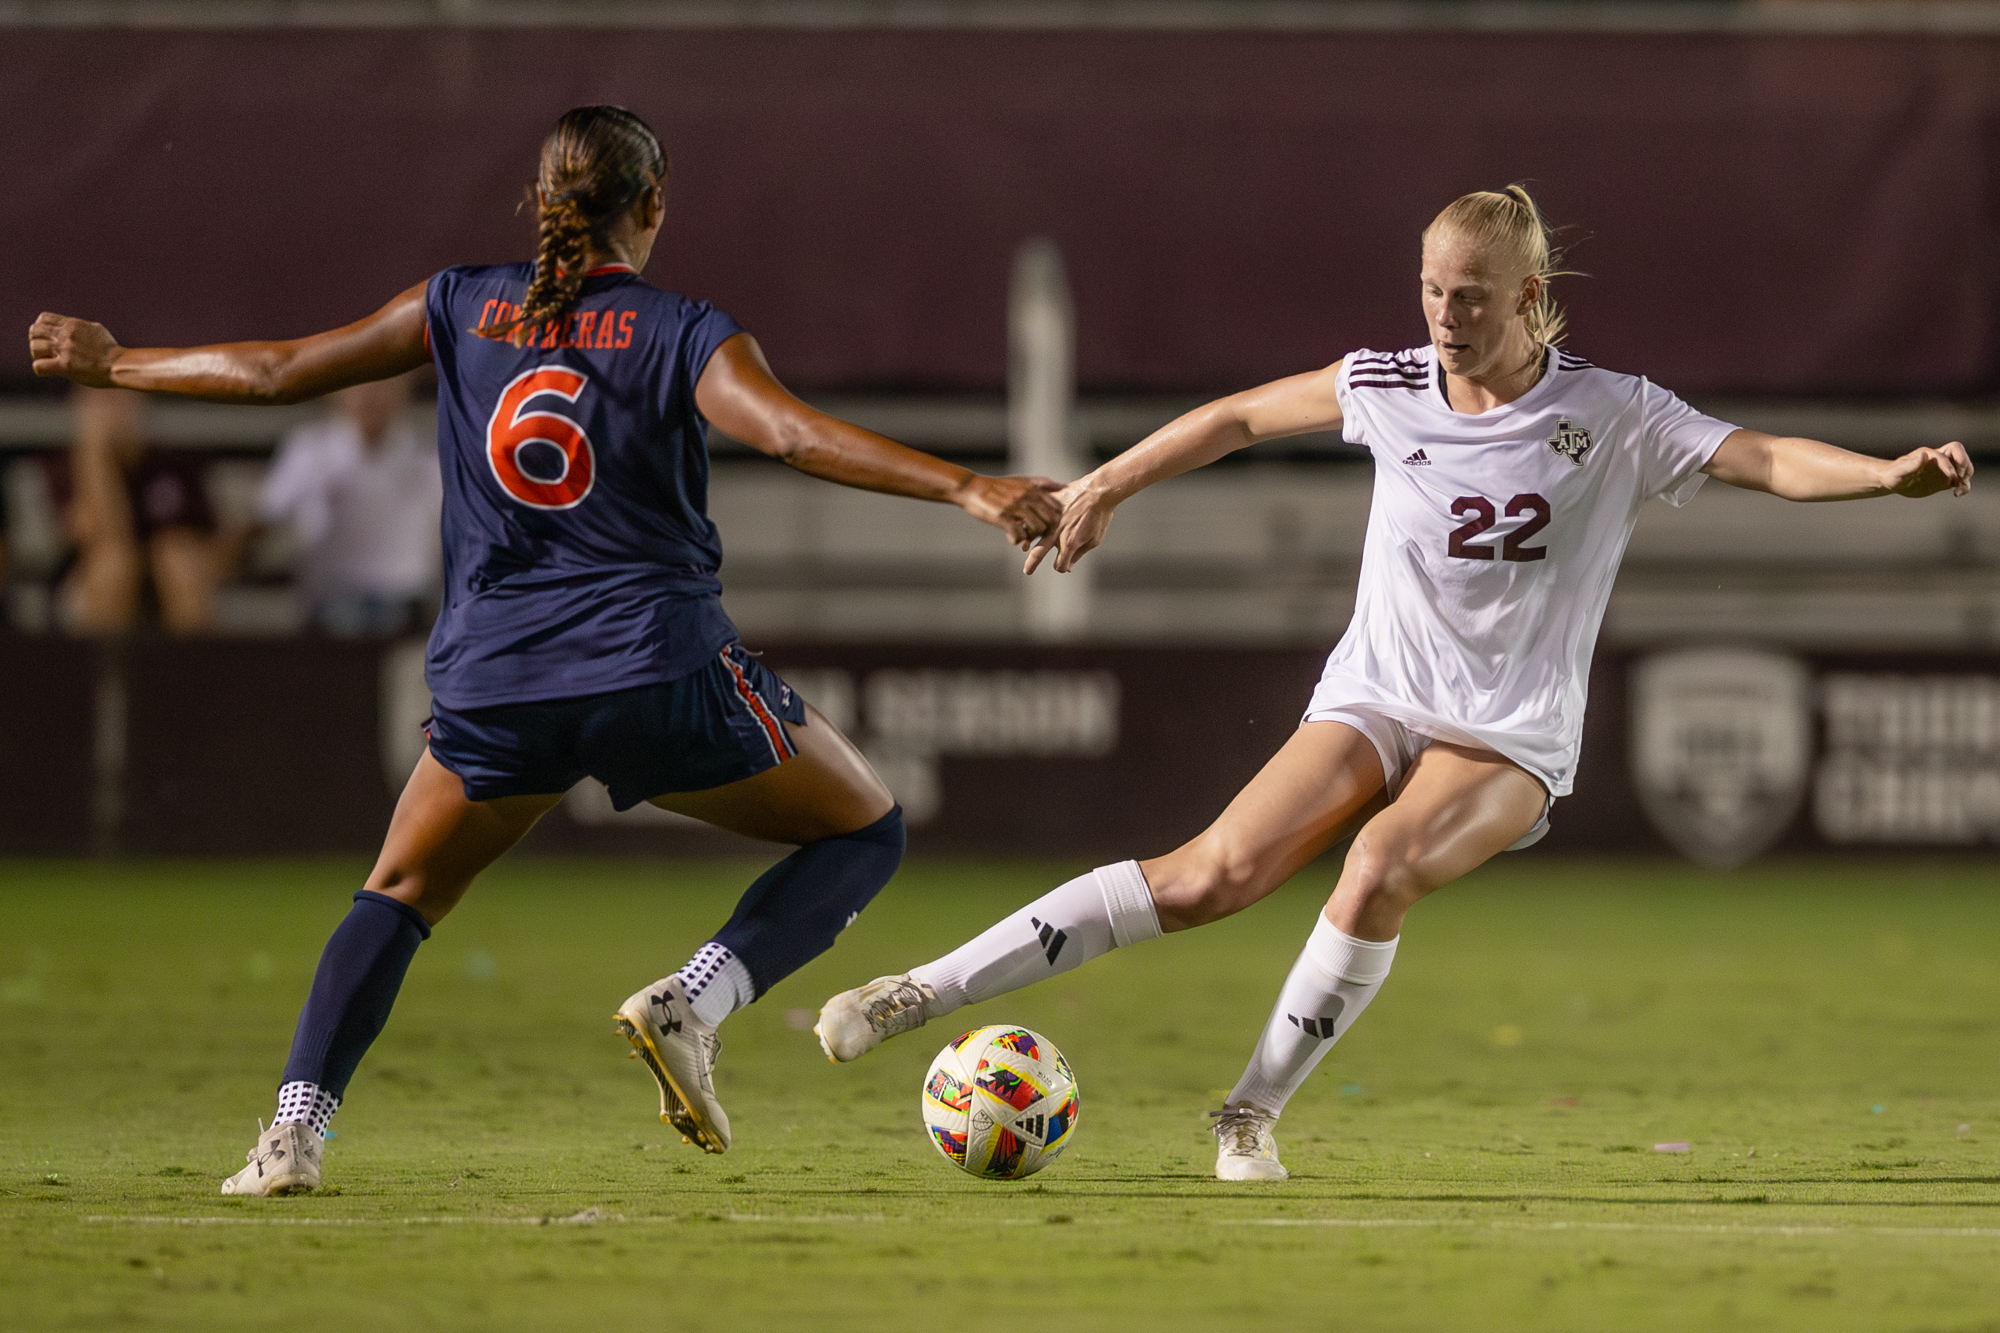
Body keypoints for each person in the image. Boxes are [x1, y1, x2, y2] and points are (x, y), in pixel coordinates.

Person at [814, 185, 1974, 1182]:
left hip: (1509, 734)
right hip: (1378, 691)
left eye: (1468, 295)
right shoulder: (1383, 383)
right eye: (1428, 289)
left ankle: (1248, 1111)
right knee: (1208, 875)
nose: (1441, 316)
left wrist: (1882, 476)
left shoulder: (1608, 412)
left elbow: (1758, 457)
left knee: (1375, 865)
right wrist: (1106, 483)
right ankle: (918, 988)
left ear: (1526, 299)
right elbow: (1233, 415)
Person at [29, 105, 1060, 1195]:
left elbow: (281, 370)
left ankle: (291, 1136)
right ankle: (695, 1000)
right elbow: (791, 435)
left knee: (397, 893)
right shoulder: (683, 329)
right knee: (866, 831)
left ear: (542, 200)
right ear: (650, 206)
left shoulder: (458, 305)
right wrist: (969, 486)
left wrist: (116, 364)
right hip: (654, 669)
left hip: (498, 681)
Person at [259, 371, 442, 637]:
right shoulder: (308, 450)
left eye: (384, 387)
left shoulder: (430, 458)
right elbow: (269, 516)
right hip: (328, 602)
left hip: (408, 605)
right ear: (337, 395)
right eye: (359, 388)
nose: (370, 398)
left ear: (404, 394)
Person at [44, 386, 226, 635]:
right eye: (97, 394)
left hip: (165, 588)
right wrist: (97, 455)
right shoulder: (66, 465)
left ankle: (193, 671)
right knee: (114, 564)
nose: (110, 405)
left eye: (119, 392)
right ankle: (108, 673)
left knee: (178, 561)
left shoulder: (171, 462)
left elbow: (210, 546)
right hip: (88, 588)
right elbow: (98, 533)